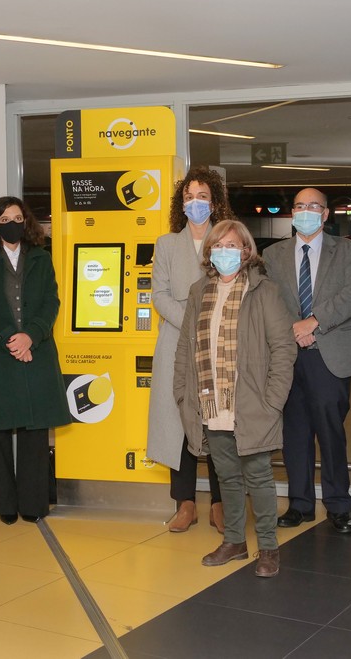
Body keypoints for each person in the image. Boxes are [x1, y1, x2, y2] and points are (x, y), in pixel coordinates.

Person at [174, 220, 296, 577]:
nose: (224, 251)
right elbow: (185, 348)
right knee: (226, 476)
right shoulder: (199, 291)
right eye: (218, 245)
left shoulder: (264, 291)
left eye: (232, 245)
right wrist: (182, 393)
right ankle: (234, 541)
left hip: (252, 402)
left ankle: (268, 546)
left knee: (258, 476)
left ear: (245, 251)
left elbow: (284, 348)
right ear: (209, 251)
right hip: (210, 401)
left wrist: (272, 401)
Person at [263, 188, 351, 534]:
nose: (305, 211)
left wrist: (314, 322)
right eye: (299, 206)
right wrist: (295, 329)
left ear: (325, 214)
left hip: (329, 353)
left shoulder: (348, 250)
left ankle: (338, 505)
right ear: (292, 212)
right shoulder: (273, 254)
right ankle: (300, 504)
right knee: (294, 433)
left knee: (331, 432)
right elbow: (270, 300)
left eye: (313, 206)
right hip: (288, 355)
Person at [0, 197, 70, 524]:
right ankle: (3, 504)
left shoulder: (42, 257)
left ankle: (33, 503)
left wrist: (31, 337)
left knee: (34, 429)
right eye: (5, 219)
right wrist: (11, 338)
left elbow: (51, 302)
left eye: (18, 218)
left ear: (27, 222)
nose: (12, 224)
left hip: (36, 350)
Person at [147, 167, 234, 533]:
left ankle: (219, 502)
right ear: (180, 204)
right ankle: (184, 503)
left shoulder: (227, 240)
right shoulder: (167, 244)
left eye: (201, 197)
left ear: (214, 203)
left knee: (217, 420)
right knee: (177, 420)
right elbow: (159, 295)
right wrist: (193, 321)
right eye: (188, 197)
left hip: (219, 343)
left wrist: (209, 321)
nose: (194, 203)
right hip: (176, 341)